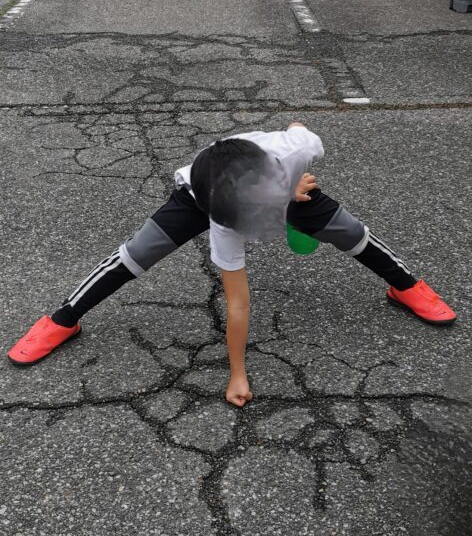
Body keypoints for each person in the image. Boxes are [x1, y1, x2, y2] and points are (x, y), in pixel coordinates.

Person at [7, 123, 456, 406]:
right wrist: (237, 374)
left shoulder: (292, 150)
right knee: (137, 253)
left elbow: (300, 127)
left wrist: (292, 183)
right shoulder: (220, 218)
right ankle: (63, 319)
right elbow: (238, 304)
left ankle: (405, 286)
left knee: (352, 233)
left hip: (286, 188)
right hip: (200, 194)